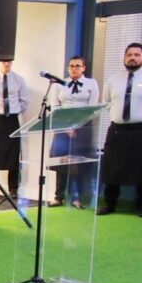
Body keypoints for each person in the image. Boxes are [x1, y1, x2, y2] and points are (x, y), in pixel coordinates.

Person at [99, 42, 142, 215]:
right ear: (124, 57)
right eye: (129, 55)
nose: (133, 58)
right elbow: (106, 102)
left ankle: (140, 206)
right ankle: (109, 205)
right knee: (112, 169)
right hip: (117, 131)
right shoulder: (113, 80)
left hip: (139, 131)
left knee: (140, 169)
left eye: (137, 55)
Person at [51, 55, 100, 209]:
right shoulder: (59, 84)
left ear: (84, 68)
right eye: (71, 66)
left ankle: (76, 197)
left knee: (78, 162)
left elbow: (92, 108)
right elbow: (55, 106)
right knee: (61, 161)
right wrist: (66, 126)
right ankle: (58, 197)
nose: (74, 68)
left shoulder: (91, 83)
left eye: (78, 66)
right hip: (63, 128)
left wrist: (77, 125)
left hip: (82, 128)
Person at [0, 61, 29, 197]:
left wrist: (14, 111)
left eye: (8, 61)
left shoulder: (19, 79)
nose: (6, 63)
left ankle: (13, 188)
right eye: (3, 61)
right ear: (0, 62)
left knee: (13, 154)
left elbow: (25, 100)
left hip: (11, 119)